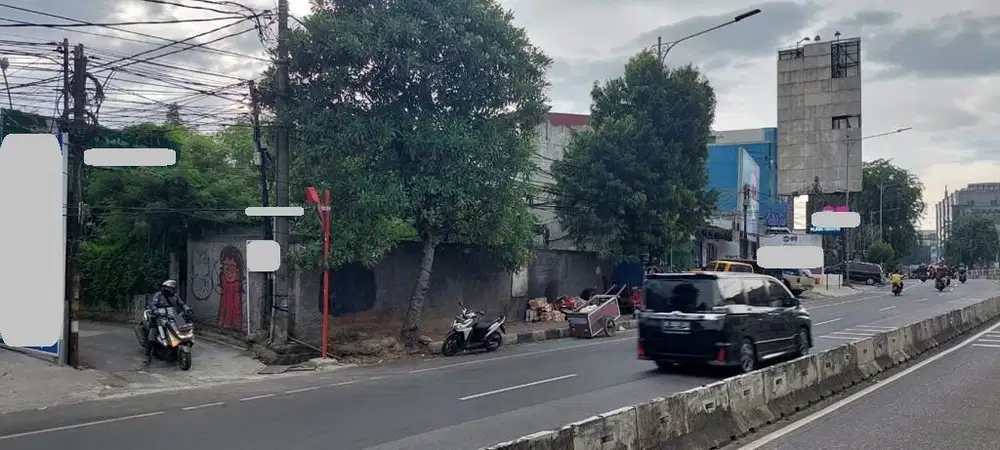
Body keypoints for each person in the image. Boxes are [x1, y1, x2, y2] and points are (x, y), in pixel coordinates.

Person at [144, 279, 190, 363]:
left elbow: (181, 303)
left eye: (174, 288)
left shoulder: (175, 296)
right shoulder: (158, 295)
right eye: (171, 288)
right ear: (166, 288)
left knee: (183, 327)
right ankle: (148, 354)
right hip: (158, 316)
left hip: (172, 314)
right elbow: (152, 304)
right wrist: (155, 310)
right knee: (152, 333)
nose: (173, 290)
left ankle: (180, 343)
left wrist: (186, 308)